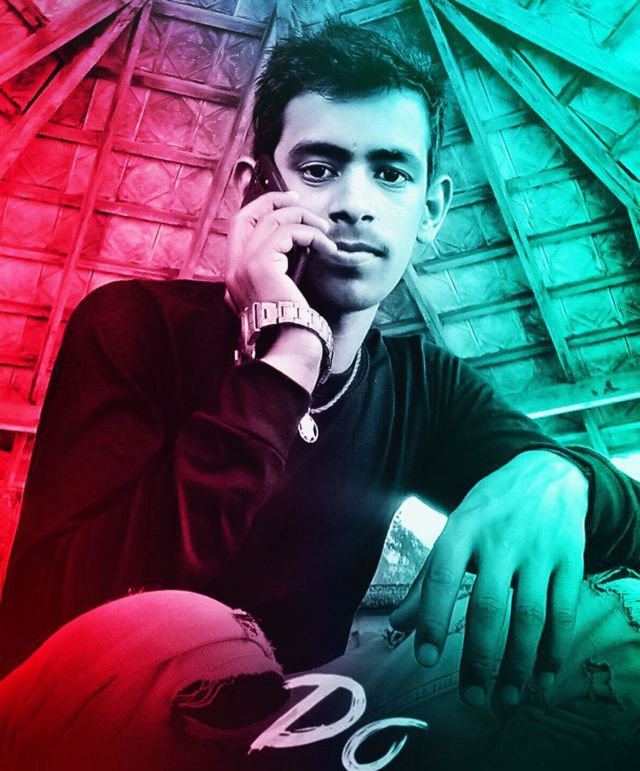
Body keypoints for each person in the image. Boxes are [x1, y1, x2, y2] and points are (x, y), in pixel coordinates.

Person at [0, 17, 639, 770]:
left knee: (617, 621)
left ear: (431, 210)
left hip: (306, 731)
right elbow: (49, 617)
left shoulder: (424, 386)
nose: (354, 203)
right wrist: (288, 358)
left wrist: (565, 478)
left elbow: (625, 528)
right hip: (101, 725)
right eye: (319, 167)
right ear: (255, 188)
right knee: (187, 626)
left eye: (391, 173)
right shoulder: (133, 326)